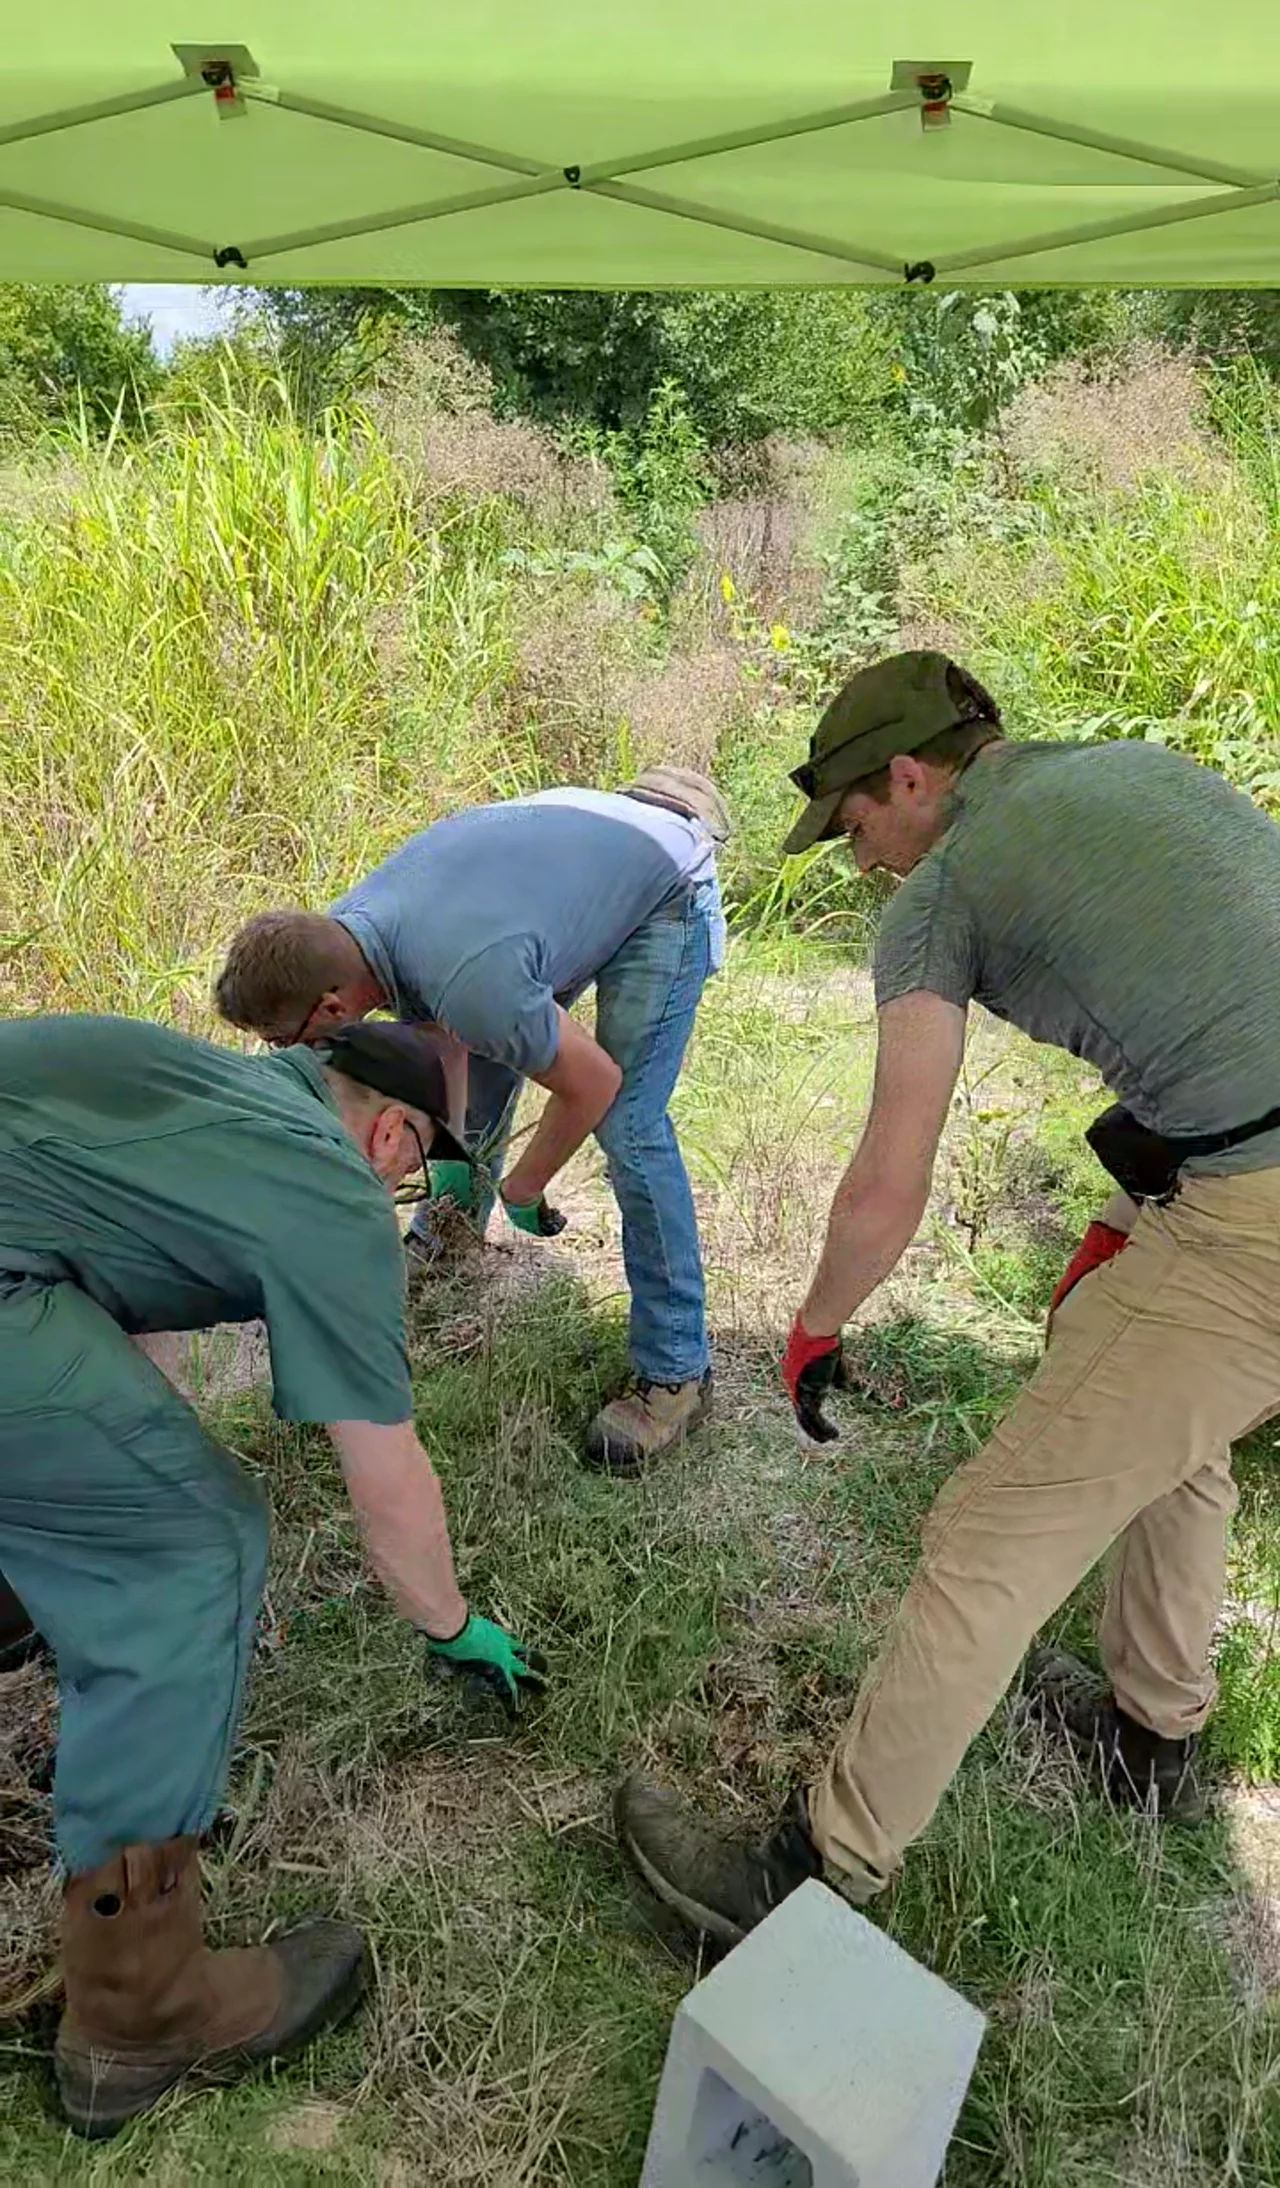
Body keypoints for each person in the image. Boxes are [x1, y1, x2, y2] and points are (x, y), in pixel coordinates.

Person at [615, 647, 1280, 1944]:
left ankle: (815, 1875)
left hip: (1252, 1212)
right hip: (1226, 1161)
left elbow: (888, 1175)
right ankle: (1152, 1739)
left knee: (985, 1541)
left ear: (912, 777)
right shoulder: (1127, 768)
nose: (864, 859)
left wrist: (812, 1325)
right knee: (1161, 1424)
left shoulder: (942, 891)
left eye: (859, 822)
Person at [0, 1013, 544, 2137]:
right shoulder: (331, 1191)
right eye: (416, 1179)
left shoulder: (198, 1085)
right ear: (393, 1134)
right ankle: (138, 2010)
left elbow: (93, 1291)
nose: (399, 1196)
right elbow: (383, 1466)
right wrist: (450, 1623)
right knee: (191, 1551)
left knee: (94, 1458)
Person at [214, 770, 729, 1471]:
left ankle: (677, 1370)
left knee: (629, 1125)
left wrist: (525, 1184)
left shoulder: (467, 977)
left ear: (333, 1008)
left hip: (662, 877)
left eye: (285, 1039)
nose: (290, 1053)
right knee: (484, 1060)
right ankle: (450, 1236)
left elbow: (594, 1084)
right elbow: (444, 1045)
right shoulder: (344, 937)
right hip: (556, 864)